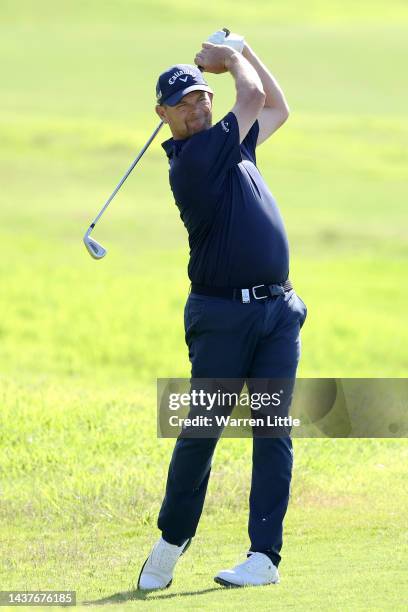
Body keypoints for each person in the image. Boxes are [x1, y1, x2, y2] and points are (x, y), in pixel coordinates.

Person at [137, 37, 307, 590]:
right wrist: (230, 59)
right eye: (183, 102)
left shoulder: (230, 145)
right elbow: (253, 95)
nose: (197, 107)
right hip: (221, 317)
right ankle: (170, 542)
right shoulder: (194, 160)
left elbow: (276, 106)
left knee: (272, 429)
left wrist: (245, 49)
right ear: (163, 115)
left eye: (202, 96)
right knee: (202, 430)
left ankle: (264, 557)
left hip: (277, 312)